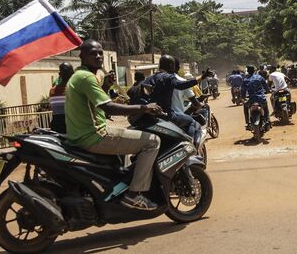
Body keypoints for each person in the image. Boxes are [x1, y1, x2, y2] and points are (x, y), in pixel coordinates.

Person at [65, 40, 164, 210]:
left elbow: (93, 103)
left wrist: (105, 86)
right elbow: (108, 107)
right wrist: (144, 108)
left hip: (82, 134)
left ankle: (122, 184)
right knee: (153, 141)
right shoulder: (86, 77)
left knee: (128, 133)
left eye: (100, 53)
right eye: (92, 53)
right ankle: (134, 194)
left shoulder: (80, 75)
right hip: (95, 135)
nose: (98, 56)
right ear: (81, 56)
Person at [143, 56, 213, 138]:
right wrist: (202, 77)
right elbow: (182, 85)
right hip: (167, 115)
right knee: (193, 123)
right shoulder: (169, 77)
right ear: (170, 65)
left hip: (152, 116)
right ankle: (190, 147)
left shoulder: (149, 79)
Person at [171, 59, 203, 144]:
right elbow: (196, 101)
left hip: (161, 116)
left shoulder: (156, 80)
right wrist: (198, 106)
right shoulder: (182, 81)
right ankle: (191, 147)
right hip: (177, 114)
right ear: (178, 68)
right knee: (195, 124)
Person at [241, 65, 271, 130]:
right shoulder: (259, 77)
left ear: (248, 71)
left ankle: (248, 122)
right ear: (254, 71)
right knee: (265, 107)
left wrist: (243, 98)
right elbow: (266, 86)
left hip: (251, 100)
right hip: (261, 98)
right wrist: (268, 91)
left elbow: (243, 90)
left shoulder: (245, 79)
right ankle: (268, 120)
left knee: (245, 107)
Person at [49, 62, 74, 133]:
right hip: (71, 127)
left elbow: (52, 108)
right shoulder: (74, 89)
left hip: (56, 126)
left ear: (59, 74)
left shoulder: (52, 90)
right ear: (72, 73)